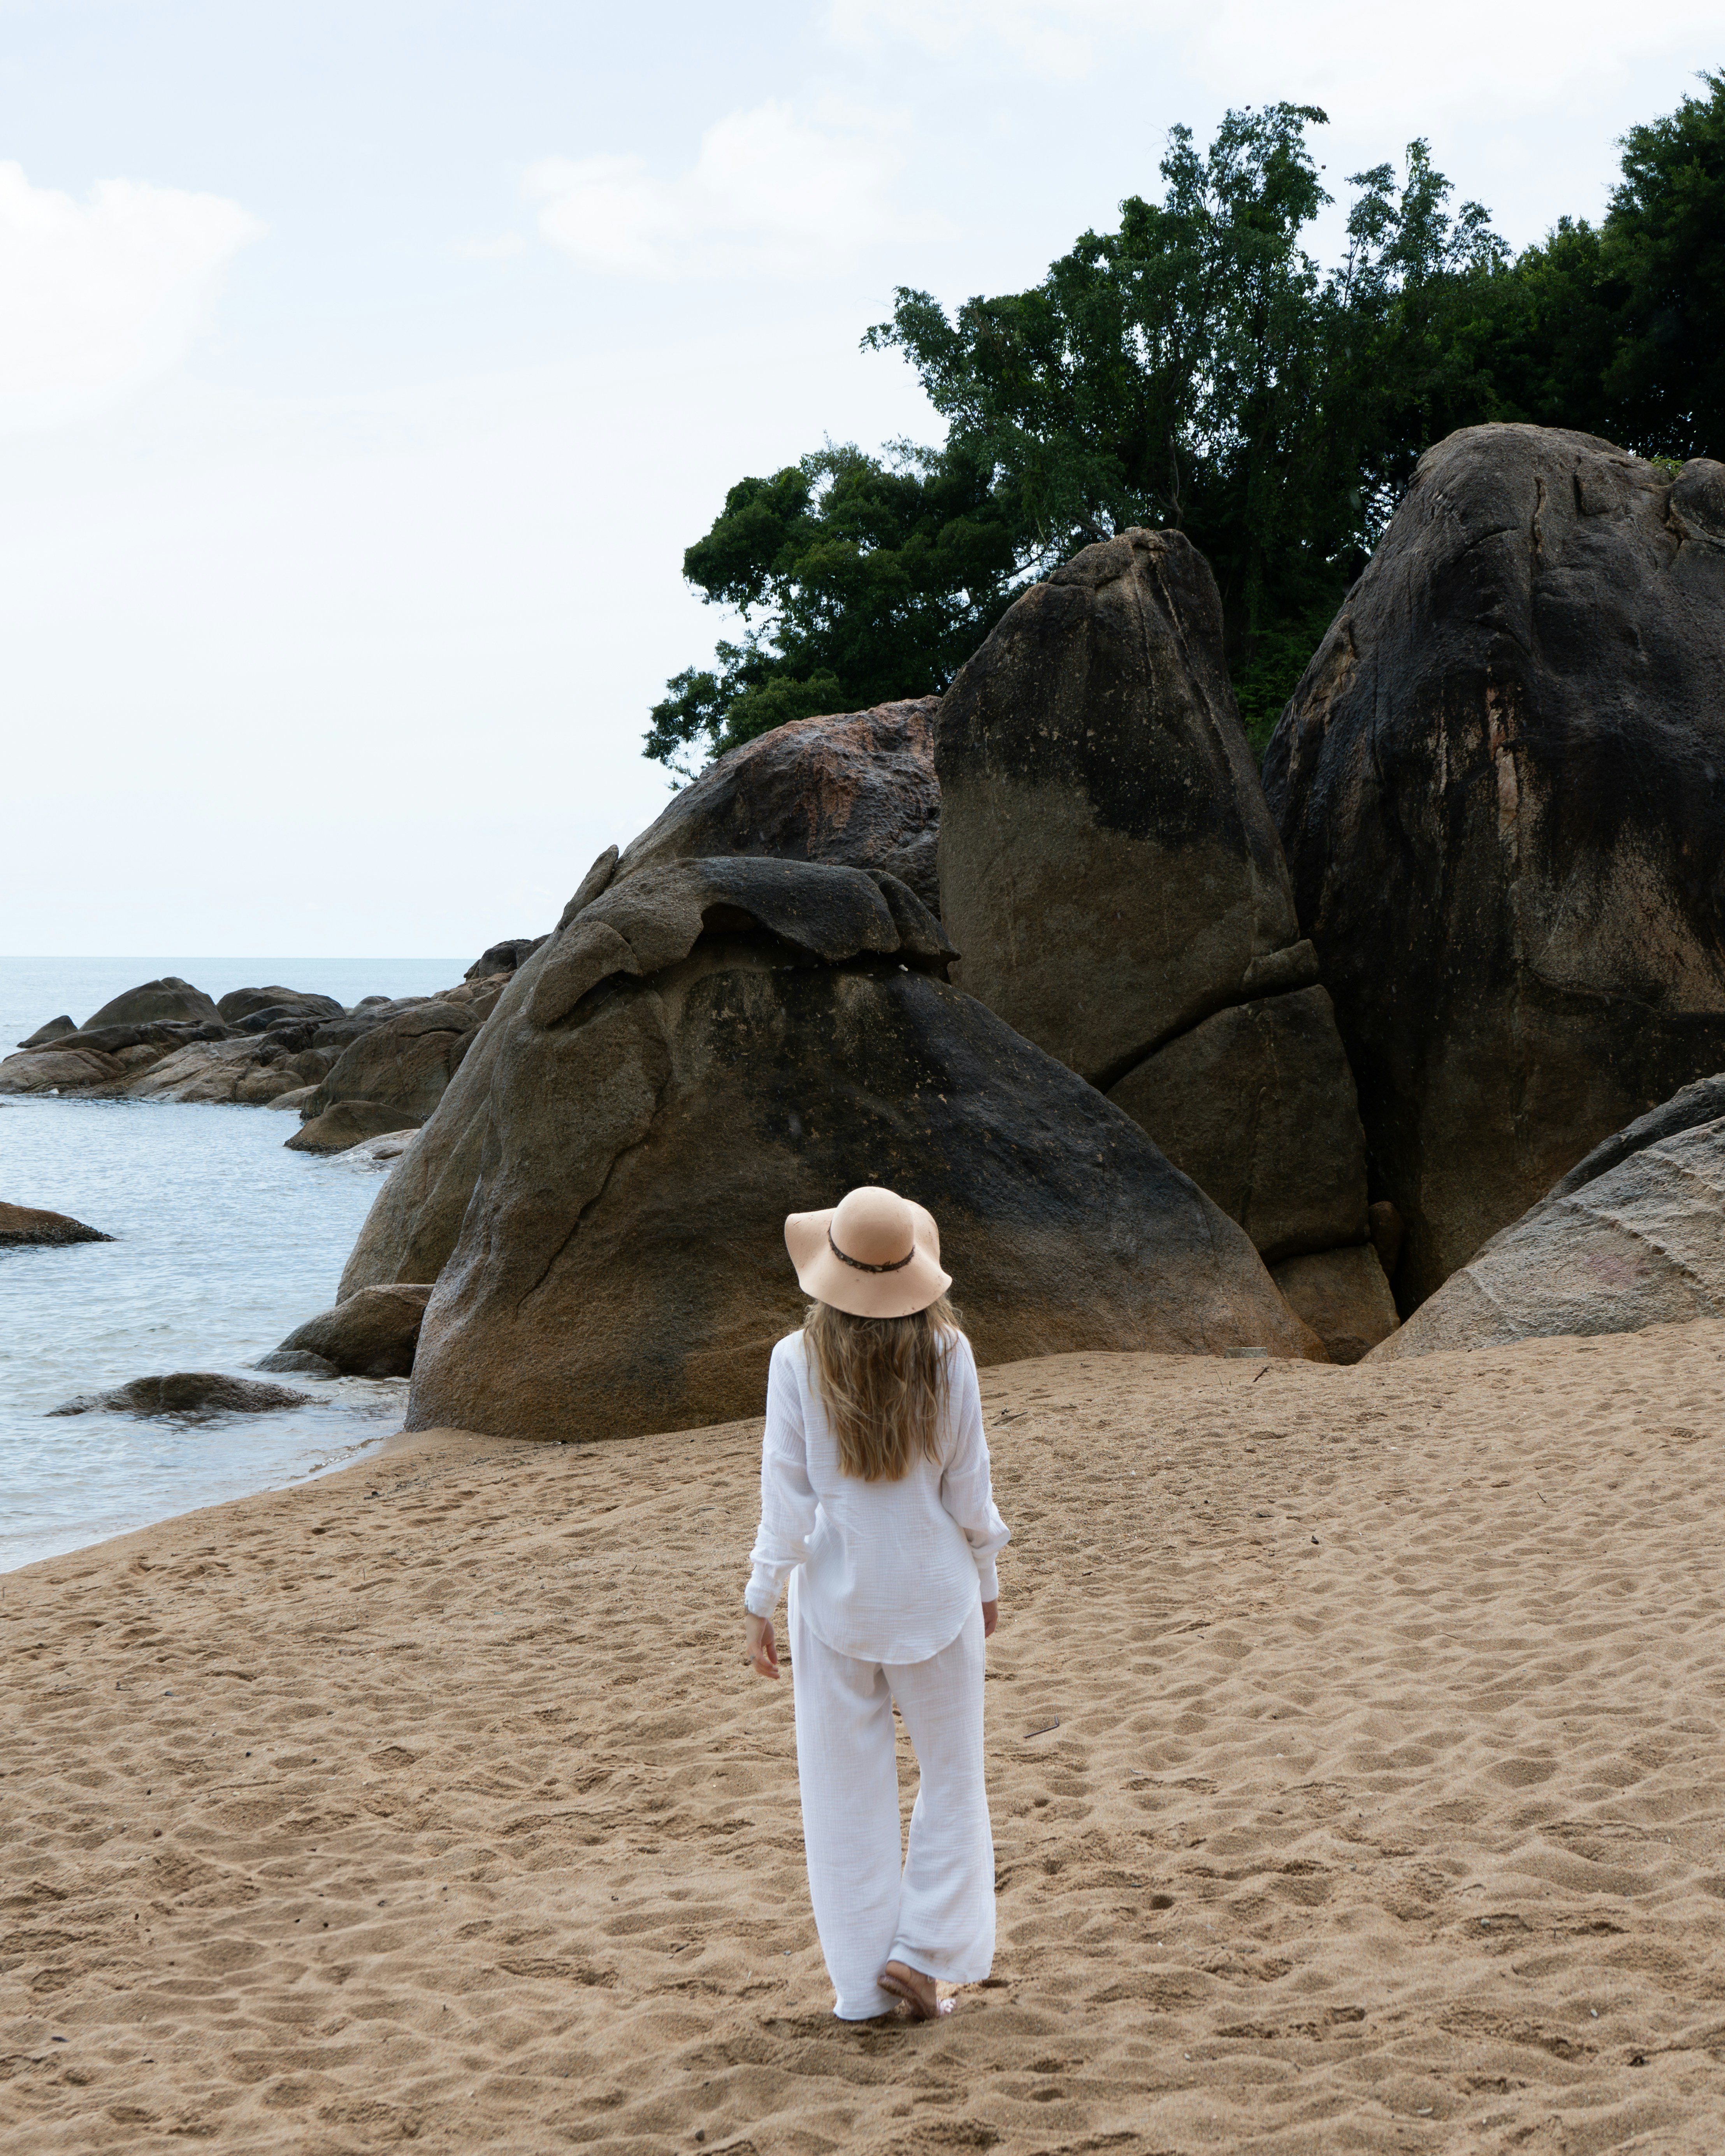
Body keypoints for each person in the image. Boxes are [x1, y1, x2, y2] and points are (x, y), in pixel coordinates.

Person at [743, 1183, 1010, 2022]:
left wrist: (758, 1597)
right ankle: (923, 1957)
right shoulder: (948, 1352)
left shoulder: (795, 1359)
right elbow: (970, 1491)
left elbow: (785, 1502)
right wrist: (989, 1576)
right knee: (953, 1780)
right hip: (935, 1594)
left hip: (834, 1604)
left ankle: (864, 1989)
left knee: (840, 1794)